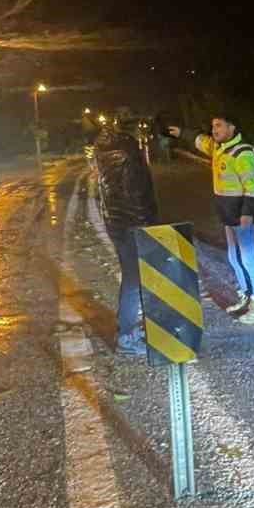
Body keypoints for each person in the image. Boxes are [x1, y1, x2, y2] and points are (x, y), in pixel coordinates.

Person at [168, 115, 254, 324]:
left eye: (219, 125)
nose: (214, 130)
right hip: (229, 216)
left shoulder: (243, 152)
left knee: (249, 259)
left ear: (232, 127)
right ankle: (247, 297)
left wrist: (247, 214)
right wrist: (181, 133)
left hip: (244, 217)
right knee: (234, 258)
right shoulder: (218, 148)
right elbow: (199, 140)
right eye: (213, 125)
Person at [92, 112, 160, 356]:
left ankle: (129, 330)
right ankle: (127, 337)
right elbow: (137, 193)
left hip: (116, 223)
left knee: (132, 277)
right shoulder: (128, 154)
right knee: (134, 280)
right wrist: (148, 223)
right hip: (133, 224)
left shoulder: (103, 152)